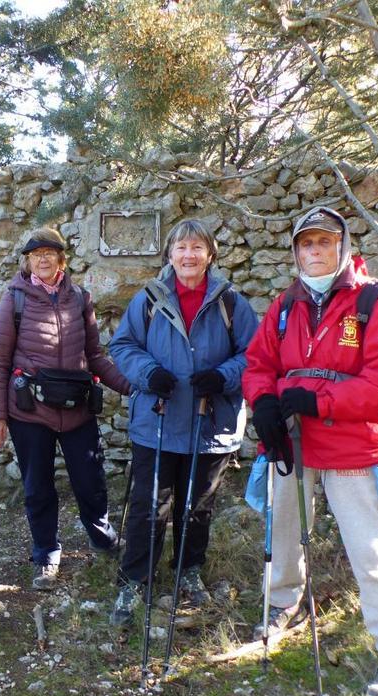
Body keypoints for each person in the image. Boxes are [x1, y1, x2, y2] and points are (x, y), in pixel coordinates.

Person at [242, 206, 378, 696]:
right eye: (306, 244)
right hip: (292, 443)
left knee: (372, 549)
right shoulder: (284, 306)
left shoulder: (376, 303)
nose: (315, 252)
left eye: (324, 242)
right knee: (283, 535)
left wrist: (319, 401)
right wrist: (262, 405)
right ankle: (282, 606)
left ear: (343, 247)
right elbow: (259, 364)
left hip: (354, 446)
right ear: (295, 251)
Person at [107, 218, 259, 626]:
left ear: (210, 254)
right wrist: (148, 373)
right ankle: (135, 578)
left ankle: (187, 571)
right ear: (169, 254)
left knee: (198, 507)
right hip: (157, 420)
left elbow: (254, 353)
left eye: (196, 248)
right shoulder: (150, 298)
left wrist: (222, 376)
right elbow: (122, 345)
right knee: (147, 506)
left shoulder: (231, 302)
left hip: (211, 423)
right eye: (181, 248)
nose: (188, 255)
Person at [0, 227, 130, 590]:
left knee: (91, 480)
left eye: (50, 252)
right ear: (28, 261)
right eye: (37, 254)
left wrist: (132, 388)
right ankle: (46, 554)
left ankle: (101, 536)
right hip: (29, 412)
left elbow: (95, 356)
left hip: (77, 408)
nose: (44, 258)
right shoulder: (14, 299)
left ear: (61, 258)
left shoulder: (80, 298)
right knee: (38, 487)